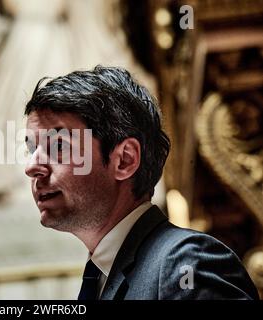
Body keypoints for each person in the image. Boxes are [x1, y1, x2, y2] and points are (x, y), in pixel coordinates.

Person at [23, 66, 259, 300]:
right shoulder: (101, 279)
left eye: (59, 146)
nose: (31, 167)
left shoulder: (186, 264)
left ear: (125, 160)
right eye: (32, 149)